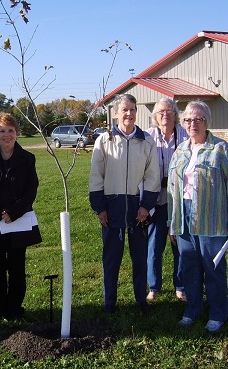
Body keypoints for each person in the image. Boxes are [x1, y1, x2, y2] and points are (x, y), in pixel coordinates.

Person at [167, 100, 228, 333]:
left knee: (213, 268)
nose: (193, 124)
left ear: (206, 122)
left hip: (213, 217)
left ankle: (218, 313)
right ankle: (192, 310)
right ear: (183, 123)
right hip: (184, 217)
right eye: (188, 120)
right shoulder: (180, 150)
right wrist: (172, 223)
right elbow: (172, 188)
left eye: (198, 119)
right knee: (188, 266)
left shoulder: (220, 149)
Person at [89, 94, 160, 315]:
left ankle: (141, 299)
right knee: (111, 257)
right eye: (125, 110)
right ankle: (109, 301)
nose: (129, 114)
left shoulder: (146, 140)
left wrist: (146, 205)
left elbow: (152, 175)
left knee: (139, 257)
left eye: (132, 110)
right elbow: (96, 175)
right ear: (117, 112)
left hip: (137, 208)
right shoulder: (105, 140)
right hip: (112, 206)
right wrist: (100, 207)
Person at [0, 112, 42, 322]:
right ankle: (0, 309)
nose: (6, 135)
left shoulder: (28, 159)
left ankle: (14, 308)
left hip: (18, 221)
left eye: (10, 131)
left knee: (17, 267)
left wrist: (14, 211)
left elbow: (31, 189)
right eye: (2, 131)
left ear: (17, 133)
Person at [145, 98, 188, 302]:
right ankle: (154, 287)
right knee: (155, 244)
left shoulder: (185, 135)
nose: (165, 115)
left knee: (179, 244)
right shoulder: (149, 136)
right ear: (155, 116)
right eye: (161, 112)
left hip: (181, 200)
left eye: (169, 111)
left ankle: (181, 286)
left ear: (175, 114)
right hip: (158, 200)